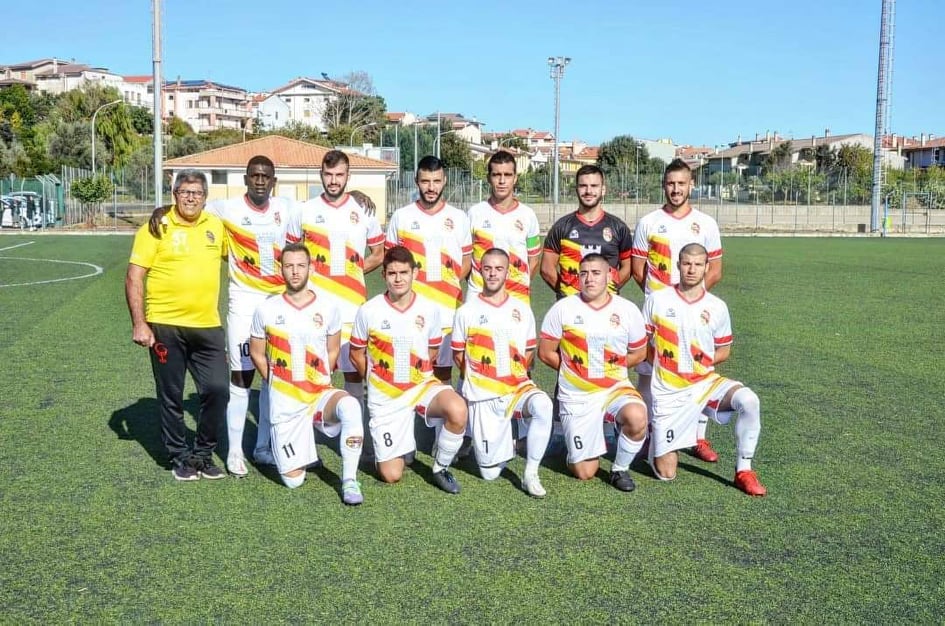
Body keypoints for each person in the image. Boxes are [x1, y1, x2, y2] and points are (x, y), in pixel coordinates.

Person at [147, 157, 377, 477]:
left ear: (273, 181)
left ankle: (264, 446)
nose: (259, 180)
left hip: (278, 302)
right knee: (241, 375)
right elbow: (189, 207)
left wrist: (356, 195)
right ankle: (236, 451)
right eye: (254, 175)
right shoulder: (225, 209)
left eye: (265, 176)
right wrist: (162, 210)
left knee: (277, 375)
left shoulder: (288, 208)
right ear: (245, 178)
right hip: (243, 302)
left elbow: (328, 202)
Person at [125, 170, 229, 481]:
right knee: (170, 394)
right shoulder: (156, 227)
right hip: (165, 326)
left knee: (218, 390)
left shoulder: (216, 226)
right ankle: (180, 456)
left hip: (208, 325)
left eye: (197, 193)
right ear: (175, 194)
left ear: (206, 197)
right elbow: (134, 276)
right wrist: (139, 324)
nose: (191, 197)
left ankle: (203, 452)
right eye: (185, 192)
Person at [642, 243, 765, 496]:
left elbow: (724, 350)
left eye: (698, 264)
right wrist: (668, 365)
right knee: (666, 473)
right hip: (669, 391)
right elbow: (644, 345)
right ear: (678, 266)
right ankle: (655, 432)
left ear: (707, 268)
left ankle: (744, 470)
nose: (691, 269)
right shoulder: (657, 300)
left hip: (705, 382)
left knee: (749, 400)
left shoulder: (717, 306)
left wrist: (698, 364)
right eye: (686, 263)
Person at [248, 243, 365, 504]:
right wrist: (277, 382)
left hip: (318, 394)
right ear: (282, 269)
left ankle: (349, 481)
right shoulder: (266, 309)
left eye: (301, 265)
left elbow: (333, 350)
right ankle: (305, 451)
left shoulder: (328, 307)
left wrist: (319, 379)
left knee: (351, 407)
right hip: (286, 402)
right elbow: (257, 353)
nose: (295, 272)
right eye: (289, 266)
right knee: (294, 481)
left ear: (310, 268)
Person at [349, 246, 469, 494]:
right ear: (383, 275)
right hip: (386, 398)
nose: (398, 278)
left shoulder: (429, 309)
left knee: (458, 410)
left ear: (414, 272)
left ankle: (441, 467)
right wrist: (376, 382)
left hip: (421, 386)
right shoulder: (369, 310)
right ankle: (400, 444)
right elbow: (356, 354)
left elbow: (432, 352)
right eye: (392, 273)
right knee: (391, 475)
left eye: (404, 272)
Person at [630, 158, 724, 462]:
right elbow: (637, 268)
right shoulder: (648, 222)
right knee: (649, 374)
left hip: (694, 315)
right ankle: (647, 433)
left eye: (681, 183)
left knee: (697, 373)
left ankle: (697, 438)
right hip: (659, 316)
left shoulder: (706, 224)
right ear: (663, 185)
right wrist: (664, 300)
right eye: (670, 183)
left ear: (691, 185)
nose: (675, 189)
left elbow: (716, 270)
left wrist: (692, 300)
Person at [538, 253, 649, 491]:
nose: (589, 279)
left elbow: (639, 353)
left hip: (615, 388)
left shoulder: (627, 310)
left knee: (638, 416)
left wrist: (612, 369)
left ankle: (620, 470)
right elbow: (546, 353)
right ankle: (575, 449)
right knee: (584, 472)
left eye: (596, 273)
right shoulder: (563, 309)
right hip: (577, 394)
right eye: (584, 273)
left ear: (610, 275)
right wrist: (576, 371)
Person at [287, 150, 384, 422]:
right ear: (321, 175)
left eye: (339, 175)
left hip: (353, 309)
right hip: (315, 308)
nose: (333, 180)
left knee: (354, 369)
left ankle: (356, 430)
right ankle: (311, 428)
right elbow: (291, 253)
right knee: (314, 369)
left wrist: (355, 270)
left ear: (348, 176)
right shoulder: (304, 210)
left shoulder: (362, 211)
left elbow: (379, 252)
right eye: (328, 175)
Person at [451, 248, 552, 497]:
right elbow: (459, 356)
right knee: (490, 473)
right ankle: (507, 435)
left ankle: (531, 474)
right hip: (483, 393)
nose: (493, 274)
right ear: (479, 271)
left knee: (543, 406)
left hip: (517, 388)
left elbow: (529, 353)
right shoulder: (466, 312)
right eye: (488, 268)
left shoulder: (522, 310)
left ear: (508, 271)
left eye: (499, 268)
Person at [385, 156, 471, 383]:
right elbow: (391, 261)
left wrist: (450, 284)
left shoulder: (459, 218)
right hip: (408, 310)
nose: (431, 187)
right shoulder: (401, 217)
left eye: (436, 181)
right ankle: (411, 418)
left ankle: (439, 419)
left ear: (444, 181)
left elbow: (468, 259)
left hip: (447, 310)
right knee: (408, 369)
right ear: (416, 181)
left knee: (443, 372)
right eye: (425, 181)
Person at [540, 164, 633, 300]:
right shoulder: (561, 227)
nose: (588, 191)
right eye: (583, 186)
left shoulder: (619, 227)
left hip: (606, 308)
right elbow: (547, 269)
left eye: (594, 186)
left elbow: (629, 267)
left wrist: (608, 290)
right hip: (571, 308)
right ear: (576, 189)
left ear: (603, 190)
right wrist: (567, 293)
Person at [466, 151, 541, 306]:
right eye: (496, 175)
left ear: (515, 178)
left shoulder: (528, 215)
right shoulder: (474, 213)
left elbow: (533, 260)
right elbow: (466, 258)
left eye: (507, 175)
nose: (501, 181)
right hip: (479, 297)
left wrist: (519, 282)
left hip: (517, 297)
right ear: (488, 178)